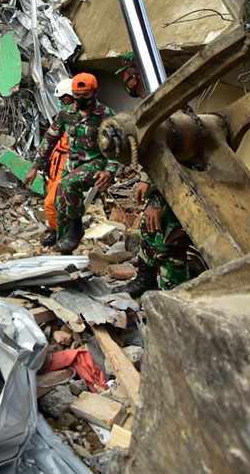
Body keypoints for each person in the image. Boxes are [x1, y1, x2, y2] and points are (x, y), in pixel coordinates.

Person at [113, 52, 196, 296]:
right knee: (149, 231)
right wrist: (143, 180)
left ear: (136, 78)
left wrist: (156, 200)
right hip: (163, 185)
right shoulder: (150, 107)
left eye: (127, 77)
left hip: (180, 187)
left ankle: (177, 297)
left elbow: (172, 161)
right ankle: (146, 280)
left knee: (169, 244)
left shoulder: (169, 110)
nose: (125, 82)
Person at [25, 73, 118, 254]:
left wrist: (110, 171)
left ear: (95, 92)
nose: (80, 100)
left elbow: (117, 149)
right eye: (77, 96)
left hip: (96, 162)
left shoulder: (107, 116)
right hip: (72, 164)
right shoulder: (67, 114)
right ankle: (64, 246)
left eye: (85, 96)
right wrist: (35, 168)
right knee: (60, 202)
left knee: (68, 184)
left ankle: (76, 228)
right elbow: (49, 140)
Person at [26, 80, 74, 246]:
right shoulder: (62, 118)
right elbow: (48, 142)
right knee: (54, 204)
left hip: (68, 169)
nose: (61, 102)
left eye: (63, 99)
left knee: (51, 204)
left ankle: (63, 236)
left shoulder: (83, 120)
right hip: (55, 166)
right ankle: (57, 232)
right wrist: (36, 168)